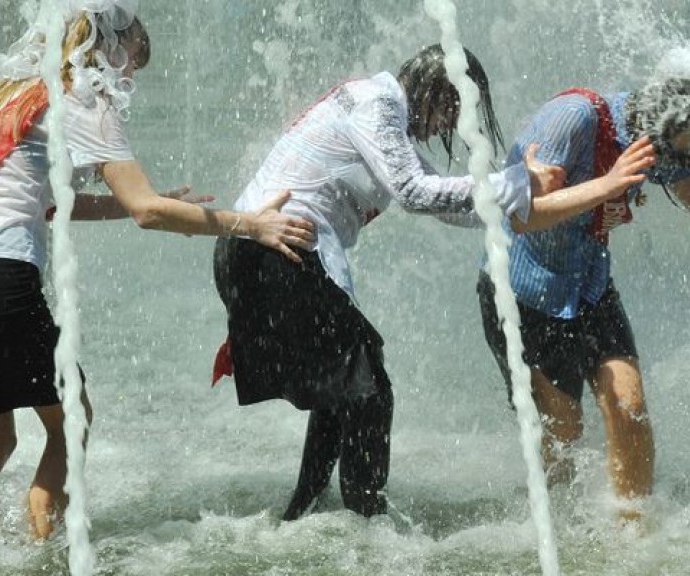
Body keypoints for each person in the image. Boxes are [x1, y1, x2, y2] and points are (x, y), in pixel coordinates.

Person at [0, 1, 314, 573]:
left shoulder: (17, 86)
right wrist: (250, 224)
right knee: (69, 423)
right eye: (133, 62)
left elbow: (47, 198)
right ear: (113, 45)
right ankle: (42, 562)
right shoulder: (89, 94)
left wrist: (153, 204)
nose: (130, 78)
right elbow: (146, 211)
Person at [212, 43, 655, 521]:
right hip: (274, 249)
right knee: (369, 389)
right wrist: (513, 183)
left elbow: (448, 205)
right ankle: (367, 524)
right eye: (451, 108)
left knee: (348, 387)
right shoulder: (377, 103)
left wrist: (517, 194)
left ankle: (305, 510)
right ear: (434, 87)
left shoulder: (382, 118)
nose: (449, 124)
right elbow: (413, 193)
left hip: (261, 254)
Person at [478, 75, 690, 523]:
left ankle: (634, 534)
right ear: (659, 126)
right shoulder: (573, 119)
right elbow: (521, 215)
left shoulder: (667, 142)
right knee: (564, 436)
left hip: (590, 286)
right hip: (525, 293)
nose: (680, 162)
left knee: (629, 406)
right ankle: (551, 531)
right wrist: (609, 184)